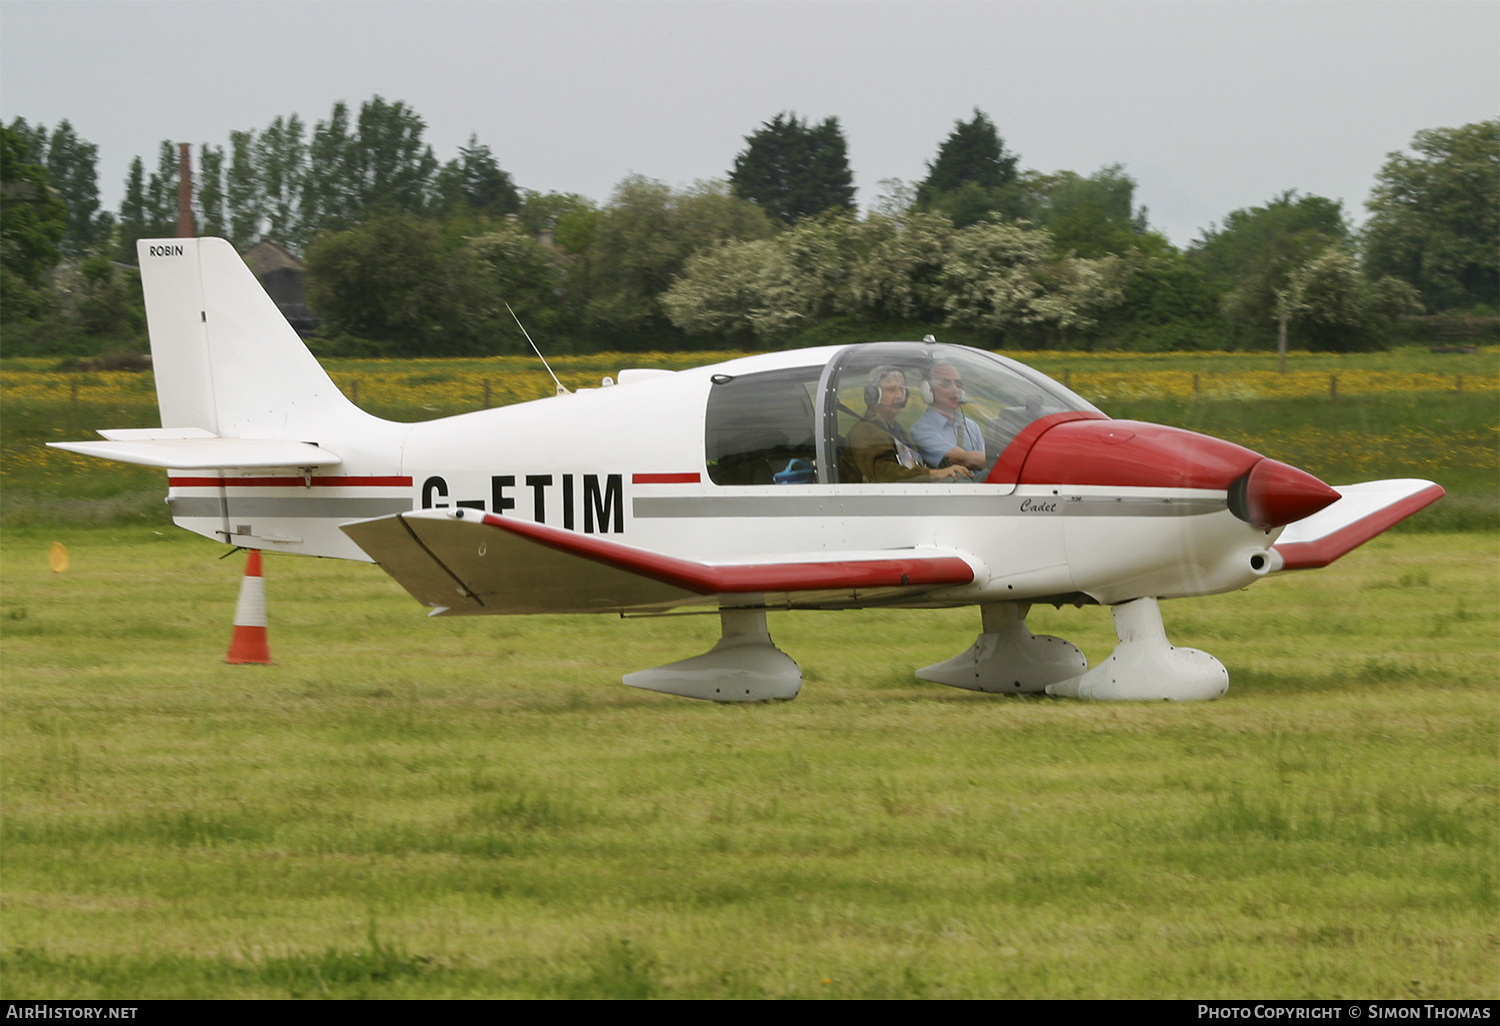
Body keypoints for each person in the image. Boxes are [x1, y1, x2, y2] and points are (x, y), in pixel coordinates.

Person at [844, 366, 973, 483]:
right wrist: (934, 474)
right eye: (892, 390)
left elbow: (913, 465)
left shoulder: (897, 430)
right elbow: (884, 473)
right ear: (873, 395)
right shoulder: (865, 431)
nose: (900, 396)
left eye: (902, 389)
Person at [911, 361, 987, 474]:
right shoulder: (921, 430)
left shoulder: (972, 426)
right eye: (946, 383)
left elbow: (986, 466)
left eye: (959, 384)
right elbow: (963, 459)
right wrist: (1008, 460)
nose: (955, 389)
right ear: (928, 390)